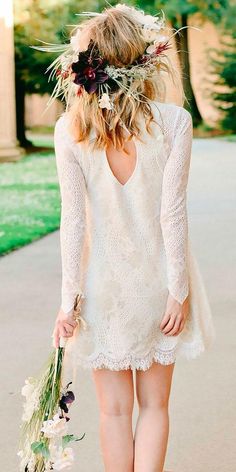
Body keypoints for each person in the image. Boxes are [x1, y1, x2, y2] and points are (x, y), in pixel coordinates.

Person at [49, 4, 216, 471]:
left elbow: (74, 221)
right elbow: (173, 215)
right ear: (143, 60)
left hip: (104, 286)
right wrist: (178, 291)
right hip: (159, 285)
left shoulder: (72, 129)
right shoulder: (173, 122)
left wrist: (69, 301)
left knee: (112, 411)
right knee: (156, 407)